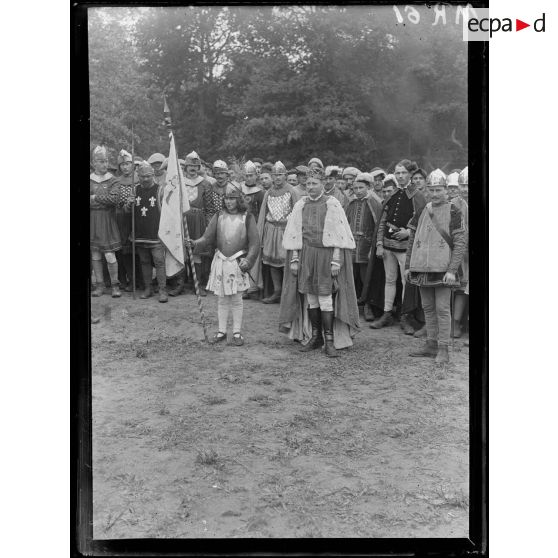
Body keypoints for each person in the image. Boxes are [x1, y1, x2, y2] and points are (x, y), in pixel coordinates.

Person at [279, 170, 360, 357]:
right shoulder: (301, 204)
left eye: (315, 183)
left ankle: (330, 340)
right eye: (308, 184)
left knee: (325, 298)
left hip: (326, 255)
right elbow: (295, 234)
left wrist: (336, 260)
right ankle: (316, 337)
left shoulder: (332, 204)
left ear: (323, 184)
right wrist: (295, 259)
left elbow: (339, 234)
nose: (310, 187)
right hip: (307, 255)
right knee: (311, 297)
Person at [405, 169, 467, 364]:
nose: (434, 193)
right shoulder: (424, 209)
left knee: (442, 309)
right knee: (428, 308)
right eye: (431, 190)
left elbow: (459, 242)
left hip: (443, 269)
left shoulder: (453, 211)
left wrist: (451, 270)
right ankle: (431, 344)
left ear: (447, 190)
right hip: (422, 267)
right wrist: (408, 265)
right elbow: (413, 239)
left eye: (438, 189)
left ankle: (444, 348)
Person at [190, 184, 260, 346]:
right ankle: (221, 331)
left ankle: (237, 332)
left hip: (237, 262)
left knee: (236, 298)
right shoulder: (218, 215)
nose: (229, 202)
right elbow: (207, 237)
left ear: (239, 200)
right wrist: (195, 242)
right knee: (222, 299)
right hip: (221, 260)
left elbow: (255, 243)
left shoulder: (247, 217)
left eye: (233, 199)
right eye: (227, 198)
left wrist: (248, 260)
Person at [370, 159, 426, 334]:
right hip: (387, 246)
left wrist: (408, 233)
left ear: (410, 174)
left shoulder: (418, 196)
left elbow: (423, 222)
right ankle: (387, 314)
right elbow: (383, 222)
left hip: (406, 248)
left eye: (403, 173)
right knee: (389, 280)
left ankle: (405, 316)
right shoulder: (392, 195)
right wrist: (379, 243)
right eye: (397, 172)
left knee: (406, 281)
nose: (400, 176)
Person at [167, 151, 210, 297]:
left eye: (196, 165)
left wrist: (209, 226)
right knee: (181, 251)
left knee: (196, 252)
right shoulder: (179, 182)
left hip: (198, 221)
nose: (193, 168)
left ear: (199, 167)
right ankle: (180, 284)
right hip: (181, 219)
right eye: (190, 165)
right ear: (185, 167)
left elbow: (209, 208)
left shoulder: (205, 184)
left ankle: (197, 284)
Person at [257, 161, 300, 304]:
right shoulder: (268, 192)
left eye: (280, 174)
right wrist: (261, 233)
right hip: (271, 230)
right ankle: (277, 291)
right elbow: (264, 212)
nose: (277, 178)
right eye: (275, 175)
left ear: (285, 175)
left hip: (286, 230)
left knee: (286, 262)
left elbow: (297, 213)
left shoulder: (292, 191)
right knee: (271, 262)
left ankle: (288, 294)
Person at [124, 162, 168, 302]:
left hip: (156, 234)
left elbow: (167, 213)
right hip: (140, 233)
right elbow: (127, 211)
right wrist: (128, 204)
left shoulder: (160, 190)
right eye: (142, 176)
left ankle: (162, 290)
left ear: (153, 175)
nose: (145, 179)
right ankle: (148, 288)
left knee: (159, 262)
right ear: (138, 176)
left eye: (148, 176)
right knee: (144, 261)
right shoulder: (134, 190)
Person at [90, 145, 122, 298]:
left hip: (107, 220)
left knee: (109, 255)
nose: (104, 164)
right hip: (93, 220)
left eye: (106, 161)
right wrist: (103, 201)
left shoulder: (113, 180)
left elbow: (114, 199)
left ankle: (115, 285)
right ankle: (100, 285)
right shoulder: (90, 179)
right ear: (93, 162)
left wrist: (95, 198)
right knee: (95, 254)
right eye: (101, 161)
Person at [345, 173, 382, 302]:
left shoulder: (374, 203)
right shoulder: (351, 203)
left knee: (366, 276)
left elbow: (378, 226)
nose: (358, 191)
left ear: (368, 188)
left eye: (361, 188)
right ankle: (353, 302)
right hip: (352, 246)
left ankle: (368, 304)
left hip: (368, 246)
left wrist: (375, 245)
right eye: (356, 188)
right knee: (352, 275)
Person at [115, 149, 140, 292]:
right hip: (122, 218)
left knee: (138, 250)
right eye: (122, 165)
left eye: (128, 164)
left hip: (138, 217)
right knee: (124, 250)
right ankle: (126, 279)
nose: (125, 167)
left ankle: (140, 280)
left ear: (133, 164)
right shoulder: (116, 181)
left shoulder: (139, 177)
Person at [450, 166, 469, 337]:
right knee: (458, 288)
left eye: (468, 185)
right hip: (459, 253)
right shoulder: (454, 203)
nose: (465, 189)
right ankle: (454, 323)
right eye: (463, 185)